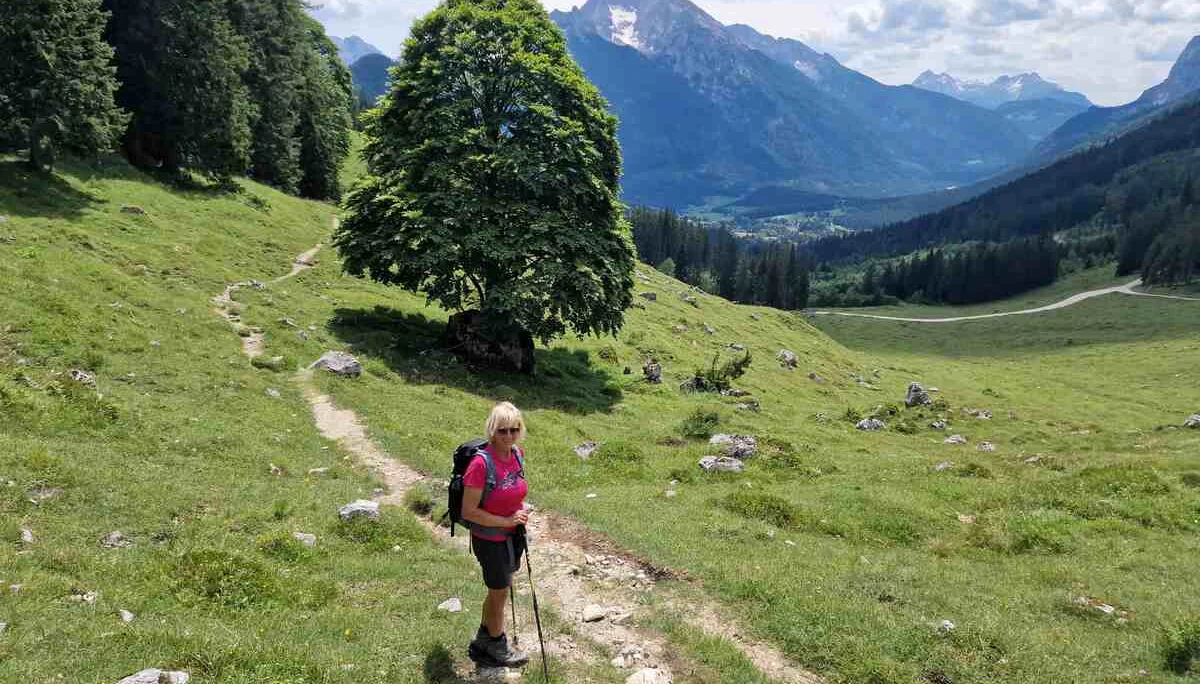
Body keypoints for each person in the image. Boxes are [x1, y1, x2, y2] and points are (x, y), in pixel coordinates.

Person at [461, 401, 531, 668]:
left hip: (512, 535)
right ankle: (498, 644)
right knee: (499, 591)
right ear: (492, 430)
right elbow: (469, 511)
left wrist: (519, 512)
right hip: (490, 540)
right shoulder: (481, 464)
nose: (509, 436)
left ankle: (483, 639)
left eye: (514, 429)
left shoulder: (516, 454)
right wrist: (504, 519)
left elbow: (514, 489)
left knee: (497, 591)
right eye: (503, 431)